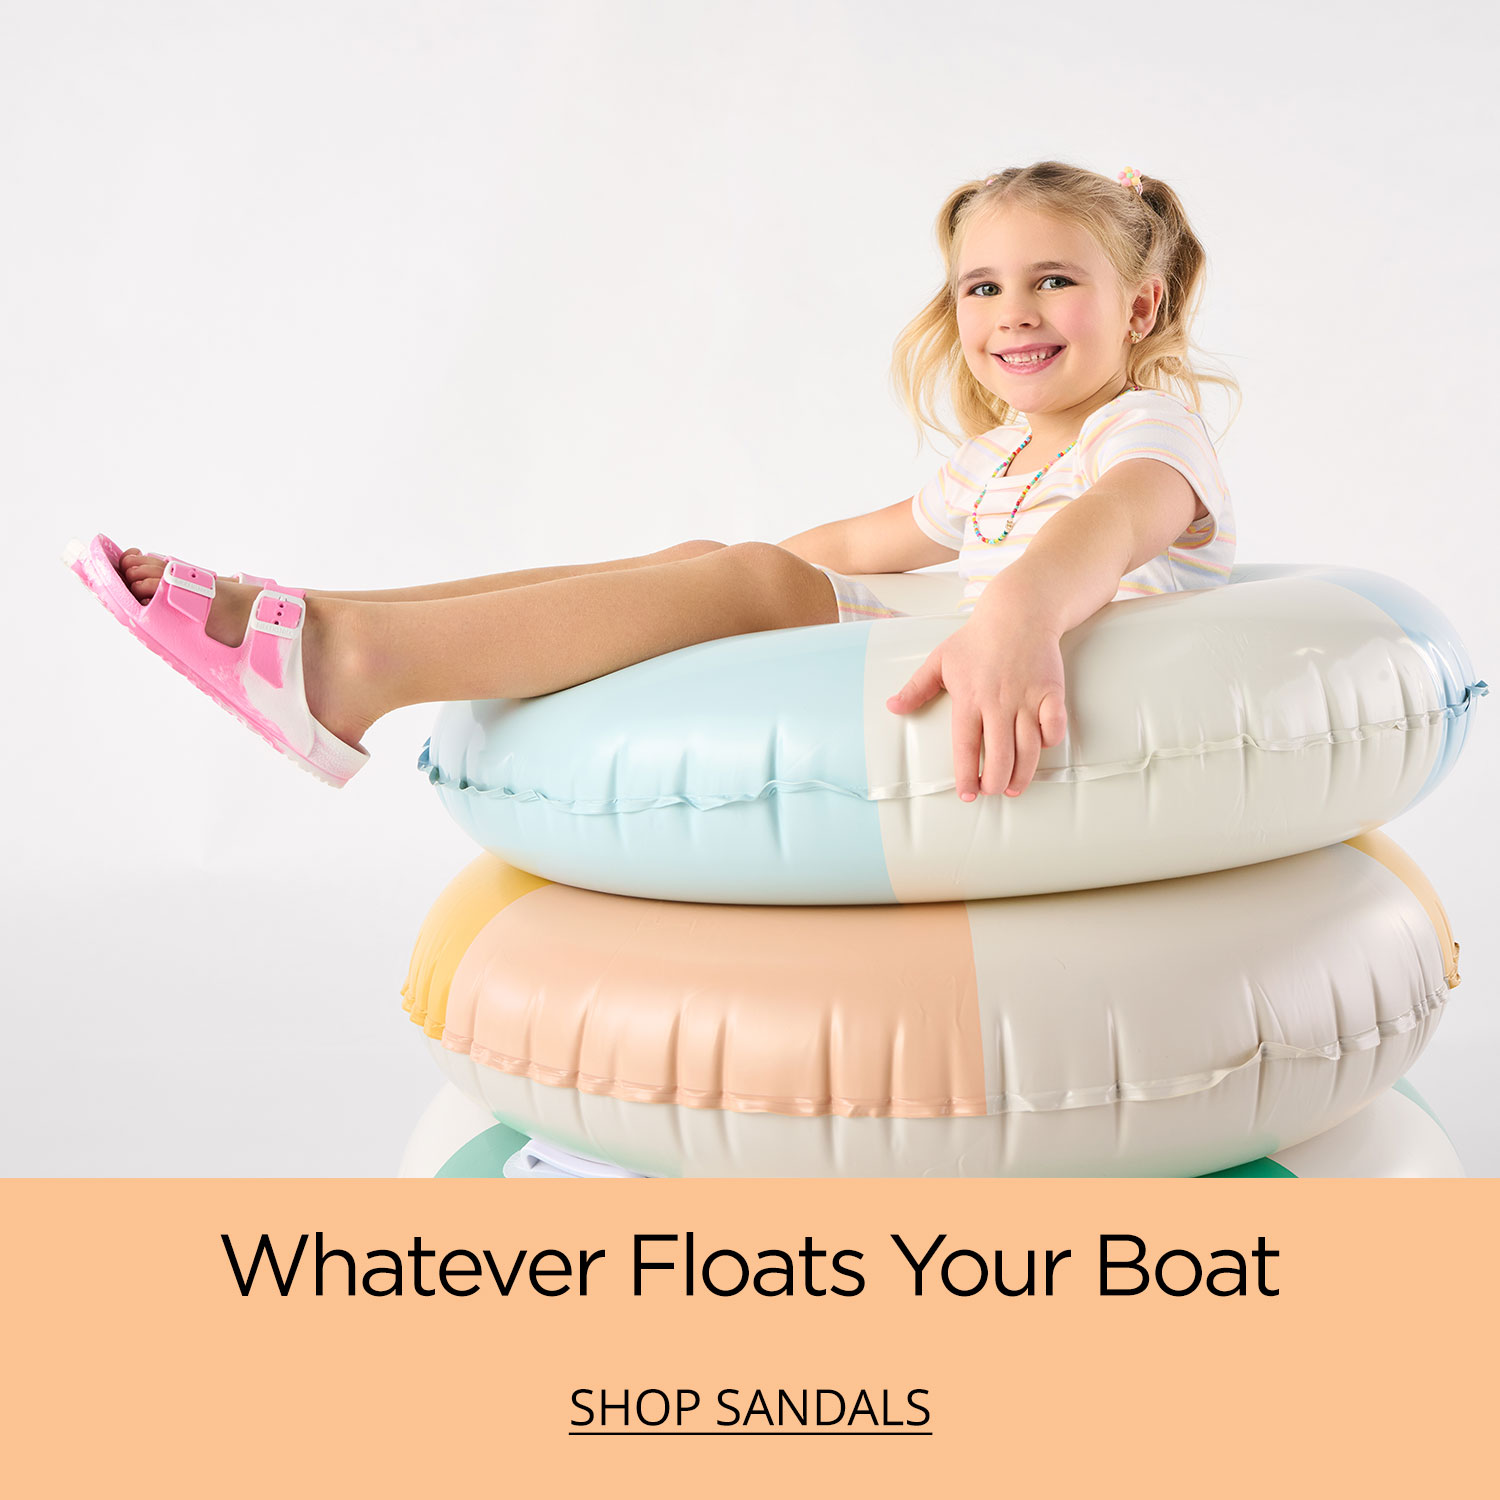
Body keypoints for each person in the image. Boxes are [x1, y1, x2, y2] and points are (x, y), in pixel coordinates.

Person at [68, 160, 1237, 802]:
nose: (1013, 313)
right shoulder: (995, 461)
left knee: (745, 585)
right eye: (980, 287)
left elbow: (1108, 522)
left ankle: (347, 668)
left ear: (1139, 307)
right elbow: (860, 543)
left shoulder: (1149, 431)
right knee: (720, 566)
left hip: (1058, 697)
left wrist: (1023, 611)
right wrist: (708, 578)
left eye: (1053, 281)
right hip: (939, 640)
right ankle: (332, 624)